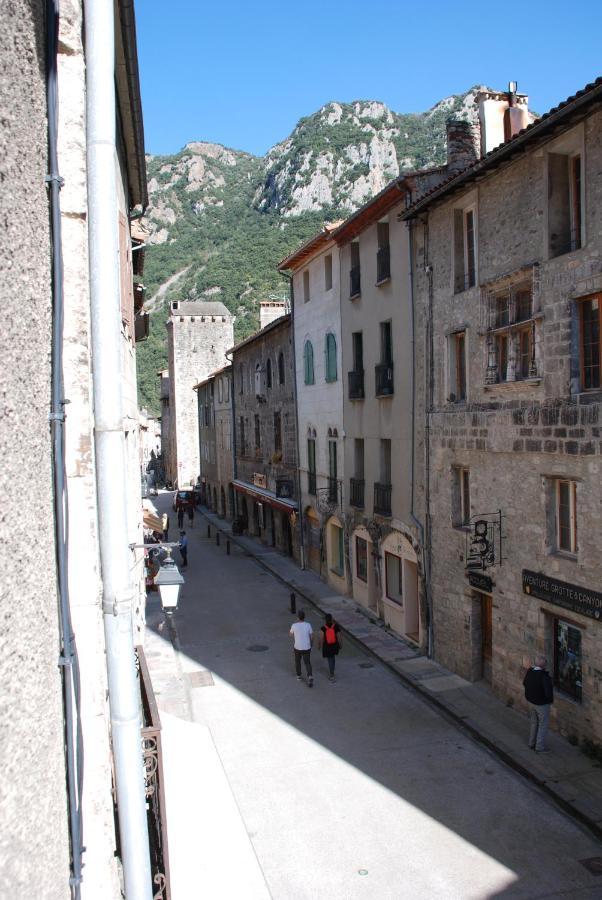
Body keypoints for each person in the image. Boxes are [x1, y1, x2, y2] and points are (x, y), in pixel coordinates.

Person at [523, 655, 554, 752]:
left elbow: (525, 683)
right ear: (544, 665)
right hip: (541, 704)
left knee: (534, 722)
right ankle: (539, 747)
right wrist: (549, 700)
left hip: (530, 701)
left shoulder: (530, 671)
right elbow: (548, 692)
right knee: (542, 725)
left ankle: (531, 743)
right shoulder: (544, 676)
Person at [290, 609, 313, 687]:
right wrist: (310, 644)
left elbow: (290, 634)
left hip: (297, 647)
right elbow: (311, 636)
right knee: (307, 662)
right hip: (307, 647)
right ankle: (310, 676)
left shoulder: (294, 625)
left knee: (298, 661)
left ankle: (299, 675)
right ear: (304, 617)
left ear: (298, 617)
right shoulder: (308, 625)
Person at [318, 613, 342, 682]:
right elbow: (339, 637)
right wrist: (340, 644)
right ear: (331, 619)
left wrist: (320, 646)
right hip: (334, 645)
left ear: (325, 620)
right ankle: (332, 671)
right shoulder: (336, 627)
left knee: (330, 659)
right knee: (333, 658)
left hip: (327, 646)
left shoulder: (323, 628)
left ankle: (332, 675)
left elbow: (321, 638)